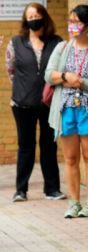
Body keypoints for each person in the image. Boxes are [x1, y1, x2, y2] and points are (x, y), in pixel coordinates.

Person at [45, 5, 88, 218]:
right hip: (65, 110)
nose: (72, 26)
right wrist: (64, 77)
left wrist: (81, 82)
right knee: (70, 158)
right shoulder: (62, 47)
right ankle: (73, 201)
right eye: (70, 21)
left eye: (76, 22)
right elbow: (48, 75)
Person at [5, 3, 65, 203]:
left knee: (49, 146)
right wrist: (26, 88)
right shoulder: (16, 42)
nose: (33, 19)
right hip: (22, 103)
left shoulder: (57, 42)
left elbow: (60, 69)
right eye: (29, 17)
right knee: (26, 146)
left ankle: (52, 189)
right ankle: (21, 190)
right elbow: (11, 70)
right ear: (25, 20)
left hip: (49, 103)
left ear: (44, 17)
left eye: (36, 15)